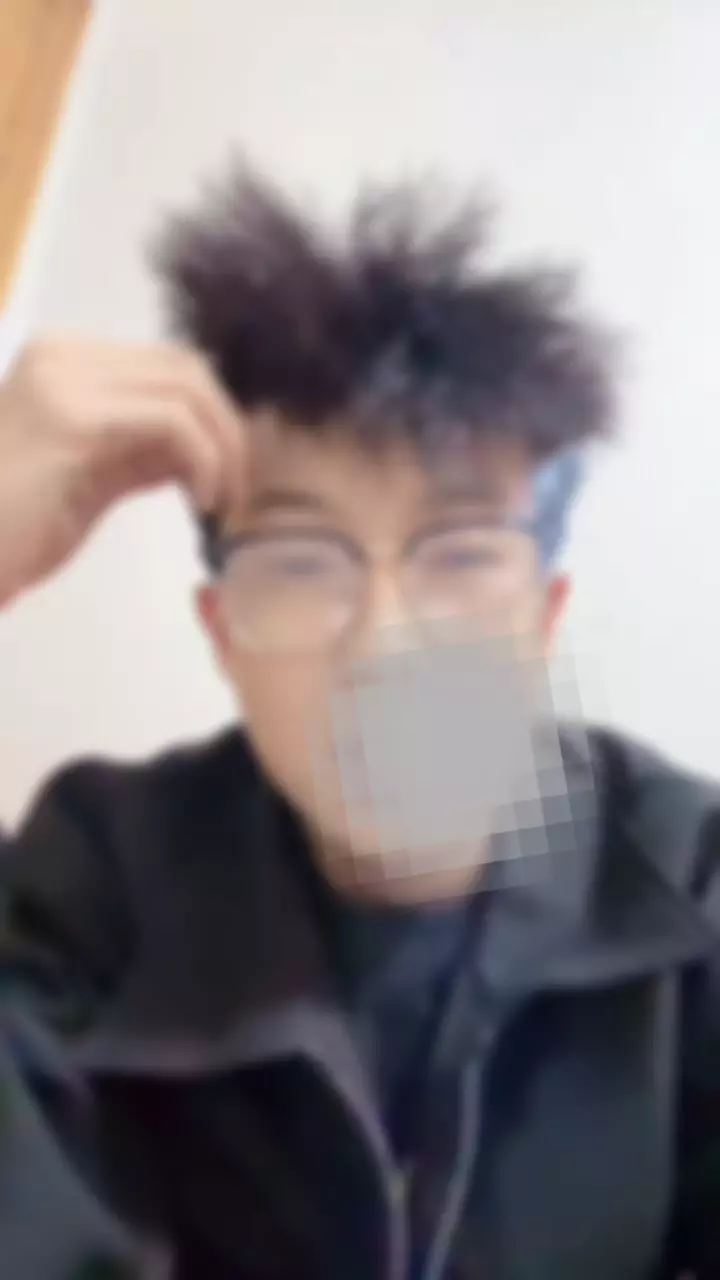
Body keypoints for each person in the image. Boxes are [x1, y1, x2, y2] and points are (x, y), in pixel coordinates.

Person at [0, 168, 718, 1280]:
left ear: (543, 618)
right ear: (222, 632)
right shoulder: (94, 886)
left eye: (461, 555)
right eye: (299, 562)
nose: (384, 644)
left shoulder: (690, 877)